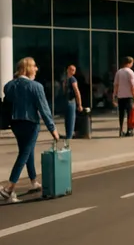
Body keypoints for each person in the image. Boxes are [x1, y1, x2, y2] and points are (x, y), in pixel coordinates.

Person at [1, 58, 59, 203]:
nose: (36, 69)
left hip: (14, 124)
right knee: (24, 153)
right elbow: (44, 109)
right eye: (34, 66)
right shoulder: (36, 87)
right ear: (27, 68)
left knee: (27, 151)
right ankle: (9, 189)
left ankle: (33, 181)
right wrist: (53, 128)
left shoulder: (9, 86)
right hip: (31, 123)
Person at [113, 56, 134, 137]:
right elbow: (133, 87)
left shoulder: (119, 72)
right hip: (129, 96)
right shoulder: (130, 72)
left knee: (121, 114)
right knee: (130, 114)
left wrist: (115, 96)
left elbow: (116, 85)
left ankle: (121, 130)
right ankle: (129, 130)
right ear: (130, 63)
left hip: (120, 96)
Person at [64, 65, 83, 142]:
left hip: (69, 100)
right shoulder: (69, 79)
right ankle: (68, 135)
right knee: (69, 119)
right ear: (67, 70)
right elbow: (75, 91)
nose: (72, 71)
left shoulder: (70, 79)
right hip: (69, 101)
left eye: (74, 70)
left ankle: (69, 135)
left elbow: (76, 91)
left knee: (69, 118)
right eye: (71, 69)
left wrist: (79, 104)